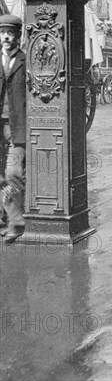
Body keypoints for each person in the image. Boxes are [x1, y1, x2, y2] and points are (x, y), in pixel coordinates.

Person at [0, 15, 26, 244]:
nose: (6, 37)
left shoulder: (25, 60)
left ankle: (16, 222)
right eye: (3, 32)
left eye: (11, 32)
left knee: (13, 173)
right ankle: (8, 216)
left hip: (17, 127)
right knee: (1, 177)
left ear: (18, 35)